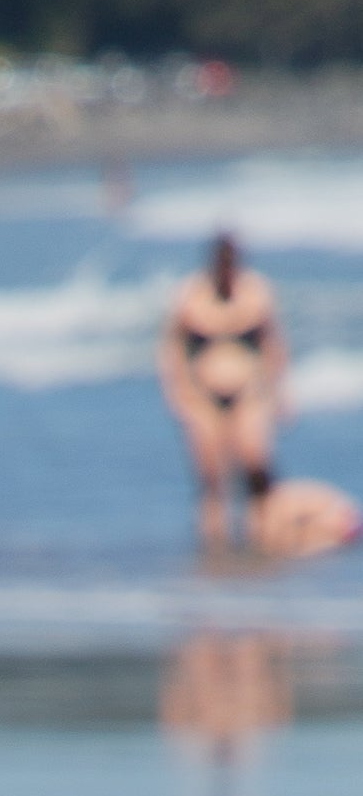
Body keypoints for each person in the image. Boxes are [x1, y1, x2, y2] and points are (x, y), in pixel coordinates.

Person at [158, 233, 286, 559]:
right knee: (212, 478)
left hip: (249, 393)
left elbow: (274, 344)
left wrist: (279, 390)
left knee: (256, 469)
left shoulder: (257, 291)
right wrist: (179, 392)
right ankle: (215, 553)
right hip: (204, 396)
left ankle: (262, 547)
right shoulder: (190, 295)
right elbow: (171, 348)